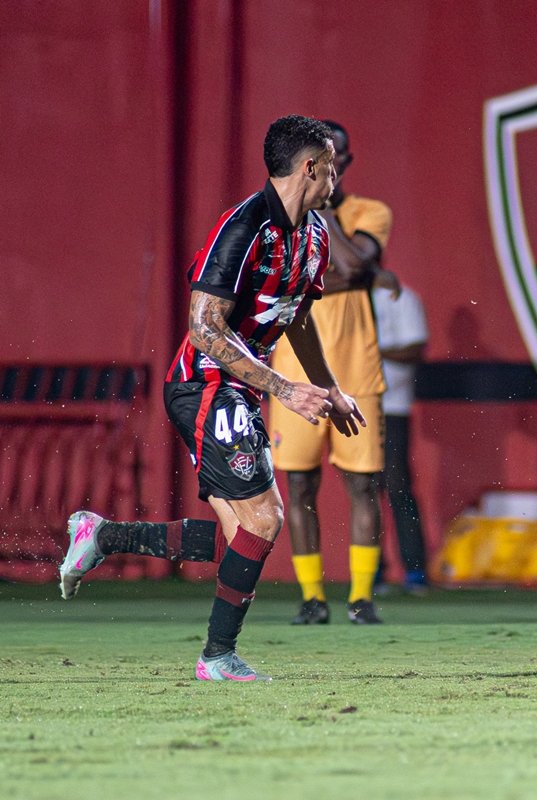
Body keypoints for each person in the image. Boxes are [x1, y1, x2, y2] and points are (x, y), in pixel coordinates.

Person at [59, 115, 364, 680]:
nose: (337, 176)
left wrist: (329, 389)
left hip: (242, 389)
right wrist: (286, 390)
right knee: (267, 518)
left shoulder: (316, 235)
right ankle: (217, 657)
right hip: (204, 384)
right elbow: (203, 328)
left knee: (242, 543)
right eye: (332, 165)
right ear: (311, 166)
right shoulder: (242, 228)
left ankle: (102, 535)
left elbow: (296, 320)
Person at [268, 120, 398, 625]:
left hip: (356, 367)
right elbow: (314, 277)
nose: (331, 166)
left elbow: (356, 267)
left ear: (346, 161)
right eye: (321, 159)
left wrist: (321, 213)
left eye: (336, 157)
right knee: (299, 485)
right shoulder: (279, 215)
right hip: (294, 372)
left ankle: (362, 597)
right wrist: (351, 272)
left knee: (363, 486)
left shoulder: (369, 212)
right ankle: (312, 598)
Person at [372, 282, 431, 593]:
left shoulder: (401, 297)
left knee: (397, 485)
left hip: (392, 406)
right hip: (354, 405)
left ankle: (415, 569)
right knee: (364, 488)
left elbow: (414, 349)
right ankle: (371, 570)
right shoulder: (343, 297)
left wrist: (369, 349)